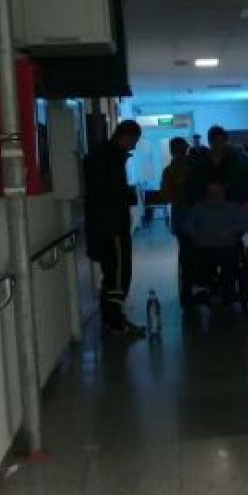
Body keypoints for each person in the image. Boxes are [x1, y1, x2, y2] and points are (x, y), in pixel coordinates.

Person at [84, 120, 145, 336]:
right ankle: (115, 321)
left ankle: (112, 320)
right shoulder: (108, 158)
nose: (134, 146)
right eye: (134, 141)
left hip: (104, 226)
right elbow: (110, 193)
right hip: (112, 228)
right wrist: (128, 196)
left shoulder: (102, 156)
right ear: (125, 137)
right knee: (118, 276)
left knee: (113, 275)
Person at [184, 179, 248, 301]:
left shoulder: (233, 207)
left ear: (223, 192)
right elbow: (187, 225)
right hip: (204, 246)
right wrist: (196, 235)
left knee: (231, 261)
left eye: (217, 192)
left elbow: (246, 224)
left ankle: (228, 290)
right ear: (206, 193)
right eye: (211, 192)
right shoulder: (199, 208)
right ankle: (205, 288)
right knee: (196, 260)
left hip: (228, 245)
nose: (214, 195)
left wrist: (232, 231)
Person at [160, 136, 191, 238]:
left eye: (182, 150)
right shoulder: (169, 171)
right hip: (181, 214)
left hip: (191, 215)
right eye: (179, 150)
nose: (181, 153)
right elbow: (166, 196)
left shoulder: (194, 167)